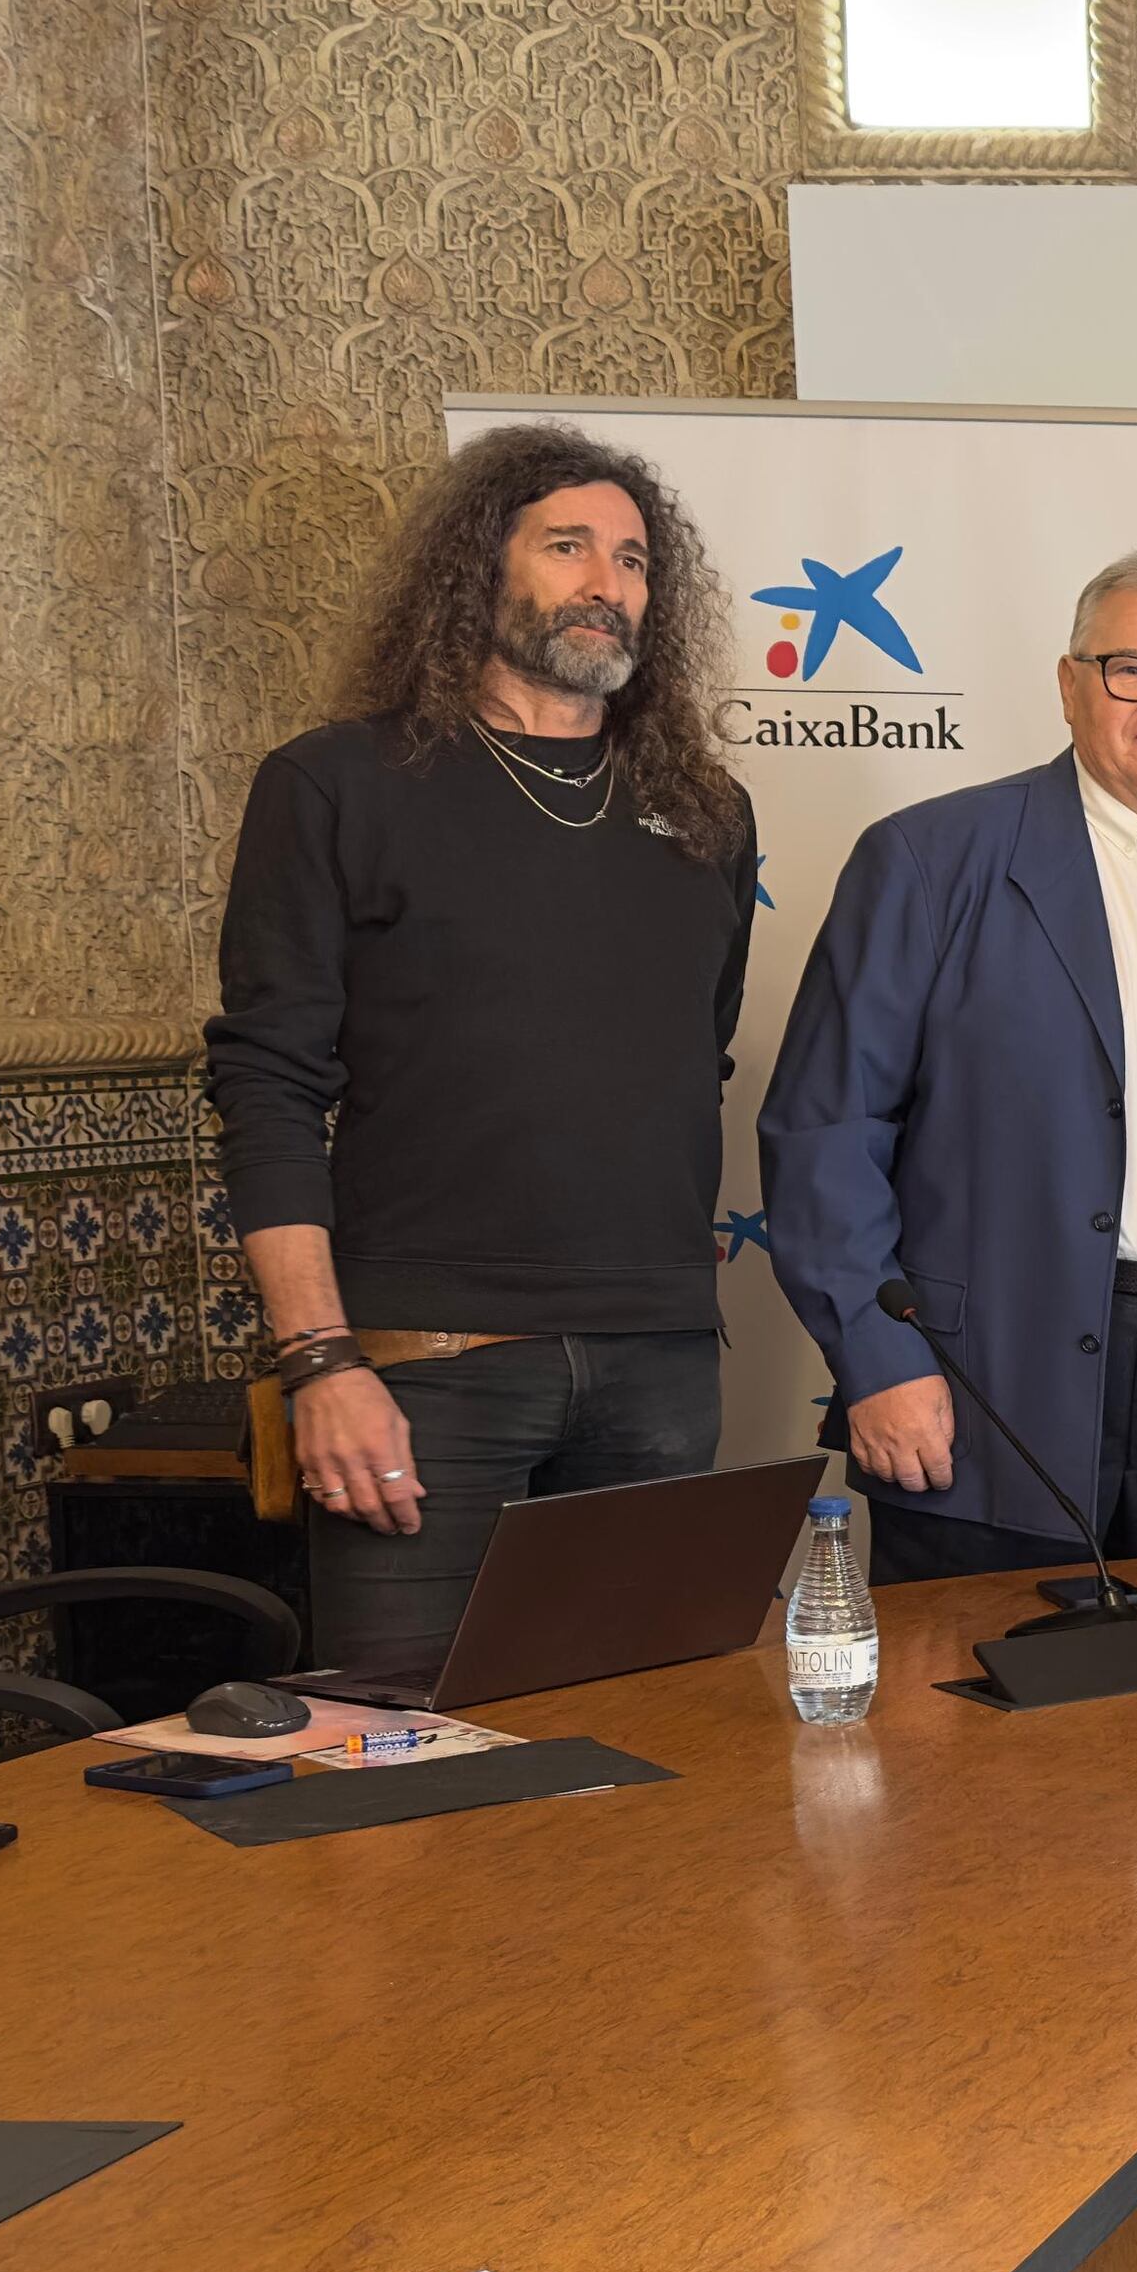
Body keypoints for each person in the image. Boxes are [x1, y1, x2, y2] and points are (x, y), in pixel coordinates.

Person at [206, 422, 757, 1673]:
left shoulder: (708, 815)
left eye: (632, 559)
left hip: (660, 1365)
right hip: (422, 1370)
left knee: (652, 1740)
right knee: (414, 1747)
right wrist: (318, 1360)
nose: (606, 583)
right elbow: (267, 1084)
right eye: (567, 546)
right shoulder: (337, 784)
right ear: (477, 568)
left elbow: (693, 1051)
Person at [762, 552, 1137, 1583]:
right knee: (982, 1676)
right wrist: (876, 1354)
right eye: (1130, 668)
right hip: (990, 1386)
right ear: (1068, 683)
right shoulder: (926, 860)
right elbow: (826, 1132)